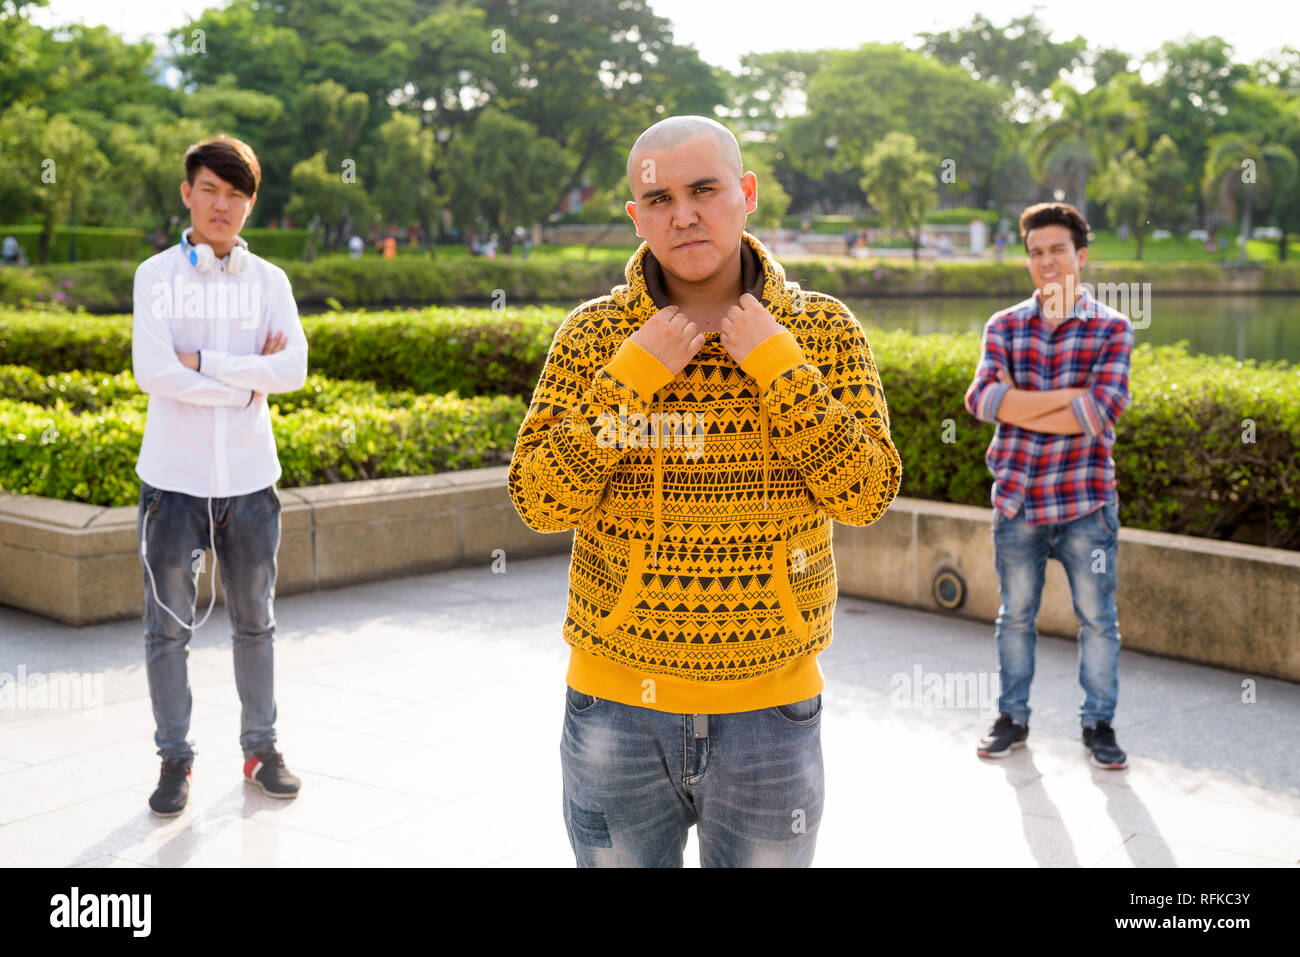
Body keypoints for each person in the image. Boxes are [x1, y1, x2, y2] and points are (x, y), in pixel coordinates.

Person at [508, 115, 903, 867]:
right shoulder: (594, 336)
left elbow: (866, 493)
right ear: (636, 215)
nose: (682, 214)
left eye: (704, 190)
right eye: (658, 199)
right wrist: (627, 382)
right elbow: (537, 499)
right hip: (616, 707)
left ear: (746, 192)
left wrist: (783, 370)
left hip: (770, 711)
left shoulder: (821, 330)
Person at [132, 135, 308, 816]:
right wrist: (243, 380)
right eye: (210, 189)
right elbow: (155, 372)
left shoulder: (270, 282)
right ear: (187, 193)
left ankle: (261, 748)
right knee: (166, 629)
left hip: (251, 483)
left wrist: (202, 362)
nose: (222, 205)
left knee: (256, 622)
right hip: (171, 482)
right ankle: (174, 758)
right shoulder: (156, 277)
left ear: (250, 204)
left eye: (236, 194)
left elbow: (291, 370)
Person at [962, 202, 1133, 770]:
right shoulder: (1003, 325)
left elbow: (1100, 410)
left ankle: (1099, 724)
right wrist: (1065, 400)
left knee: (1097, 619)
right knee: (1015, 615)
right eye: (1036, 252)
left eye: (1057, 250)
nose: (1046, 261)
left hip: (1087, 505)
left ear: (1080, 257)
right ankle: (1012, 717)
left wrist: (1019, 405)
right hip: (1018, 502)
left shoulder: (1112, 328)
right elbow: (982, 400)